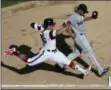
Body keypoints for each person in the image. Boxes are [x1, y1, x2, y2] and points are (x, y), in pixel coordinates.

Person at [4, 18, 91, 77]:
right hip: (45, 53)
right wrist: (66, 27)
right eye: (52, 25)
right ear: (48, 26)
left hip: (55, 52)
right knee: (29, 62)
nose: (53, 25)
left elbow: (32, 24)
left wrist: (37, 25)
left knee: (67, 62)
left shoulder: (42, 27)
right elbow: (57, 33)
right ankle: (14, 52)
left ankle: (83, 71)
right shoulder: (48, 33)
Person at [57, 3, 109, 77]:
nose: (84, 13)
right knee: (90, 52)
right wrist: (71, 34)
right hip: (79, 38)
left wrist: (91, 17)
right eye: (84, 11)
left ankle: (60, 64)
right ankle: (100, 70)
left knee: (76, 53)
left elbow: (83, 20)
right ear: (80, 10)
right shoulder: (73, 17)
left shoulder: (80, 16)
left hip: (81, 37)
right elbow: (65, 24)